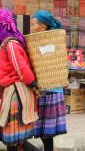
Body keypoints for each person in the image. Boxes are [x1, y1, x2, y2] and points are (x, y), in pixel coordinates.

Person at [0, 8, 38, 151]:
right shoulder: (8, 43)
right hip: (14, 91)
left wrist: (32, 84)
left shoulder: (11, 44)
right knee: (17, 142)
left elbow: (20, 66)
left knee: (15, 141)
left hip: (17, 93)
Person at [30, 10, 67, 151]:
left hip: (49, 90)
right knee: (44, 130)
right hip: (47, 89)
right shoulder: (44, 41)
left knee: (46, 132)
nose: (31, 28)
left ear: (43, 27)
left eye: (33, 25)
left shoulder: (47, 42)